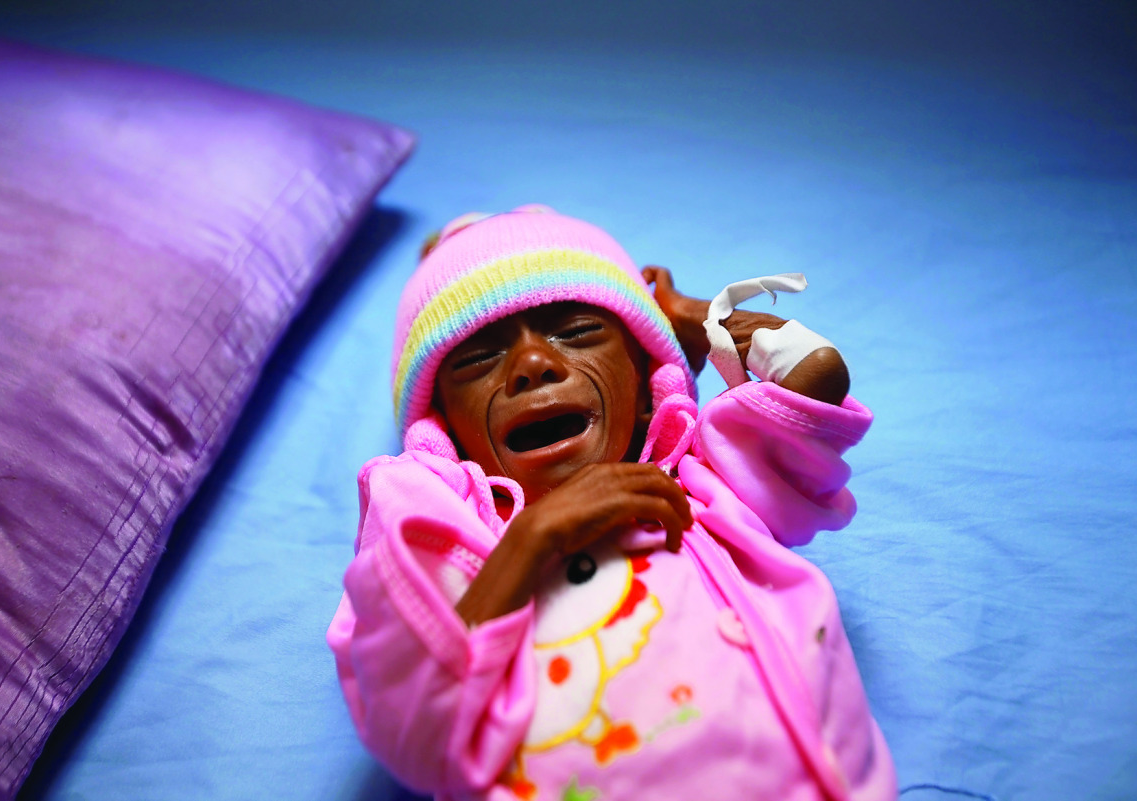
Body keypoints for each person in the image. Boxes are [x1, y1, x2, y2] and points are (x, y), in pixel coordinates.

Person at [327, 205, 897, 801]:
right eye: (478, 358)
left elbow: (816, 374)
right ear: (442, 431)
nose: (532, 365)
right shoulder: (447, 535)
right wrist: (532, 539)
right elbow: (408, 726)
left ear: (647, 384)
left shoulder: (706, 482)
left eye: (575, 332)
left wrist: (694, 321)